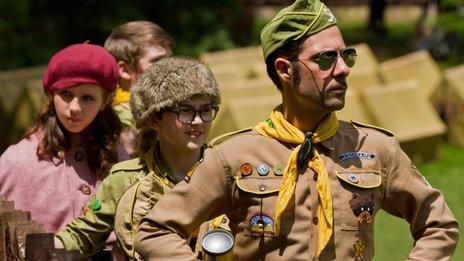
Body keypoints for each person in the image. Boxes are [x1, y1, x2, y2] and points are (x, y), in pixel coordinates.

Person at [134, 0, 460, 260]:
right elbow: (156, 230)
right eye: (325, 58)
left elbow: (438, 224)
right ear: (285, 70)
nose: (343, 69)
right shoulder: (233, 156)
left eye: (346, 56)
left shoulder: (376, 149)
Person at [55, 56, 222, 260]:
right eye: (185, 112)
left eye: (206, 110)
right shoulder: (126, 180)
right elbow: (82, 235)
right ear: (153, 120)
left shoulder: (228, 171)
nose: (197, 121)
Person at [0, 43, 128, 234]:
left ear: (106, 101)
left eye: (88, 98)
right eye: (66, 94)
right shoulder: (17, 161)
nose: (75, 107)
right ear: (51, 94)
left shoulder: (120, 157)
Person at [105, 20, 173, 155]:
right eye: (158, 61)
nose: (171, 68)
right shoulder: (108, 122)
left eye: (170, 59)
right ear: (125, 70)